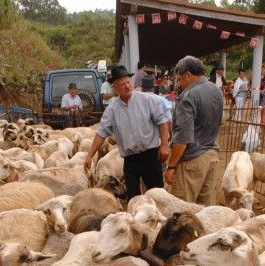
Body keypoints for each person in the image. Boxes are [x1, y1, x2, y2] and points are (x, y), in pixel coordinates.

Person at [84, 65, 169, 200]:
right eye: (122, 84)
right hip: (131, 160)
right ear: (115, 88)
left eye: (128, 82)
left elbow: (162, 122)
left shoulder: (147, 100)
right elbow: (101, 133)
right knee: (133, 198)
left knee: (157, 195)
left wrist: (164, 144)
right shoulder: (112, 109)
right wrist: (90, 155)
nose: (127, 86)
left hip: (151, 155)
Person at [164, 55, 223, 206]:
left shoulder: (188, 97)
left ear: (188, 75)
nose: (178, 84)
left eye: (179, 79)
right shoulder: (217, 91)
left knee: (182, 210)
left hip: (192, 160)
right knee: (207, 210)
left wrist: (171, 166)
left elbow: (183, 138)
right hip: (212, 156)